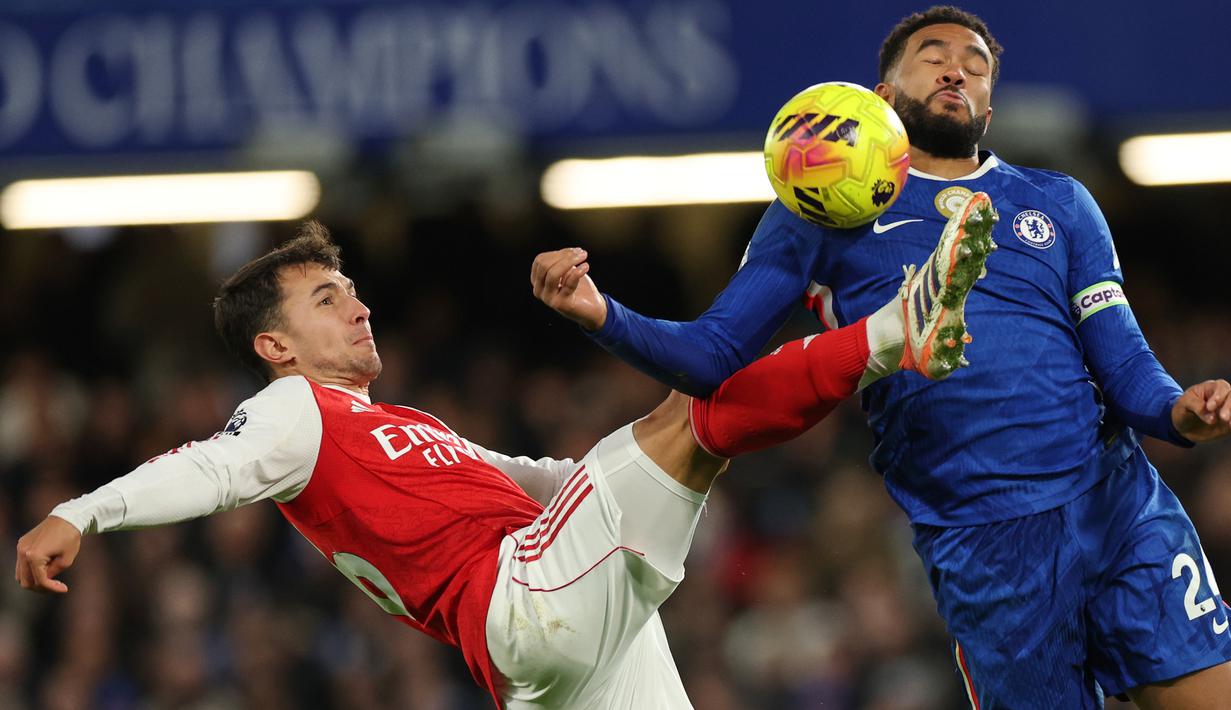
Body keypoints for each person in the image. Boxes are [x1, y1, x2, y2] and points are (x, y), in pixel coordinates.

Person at [538, 6, 1231, 709]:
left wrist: (1178, 412)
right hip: (982, 537)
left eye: (976, 64)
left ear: (987, 107)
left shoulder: (1057, 202)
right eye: (932, 55)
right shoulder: (821, 214)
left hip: (1114, 504)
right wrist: (602, 314)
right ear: (881, 95)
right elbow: (712, 354)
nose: (956, 68)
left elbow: (1123, 363)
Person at [15, 213, 990, 709]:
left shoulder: (390, 427)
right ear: (276, 346)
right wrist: (81, 513)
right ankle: (898, 327)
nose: (358, 305)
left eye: (353, 287)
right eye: (326, 299)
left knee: (681, 434)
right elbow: (204, 469)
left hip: (550, 663)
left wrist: (612, 474)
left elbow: (534, 474)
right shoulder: (290, 413)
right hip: (524, 594)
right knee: (696, 414)